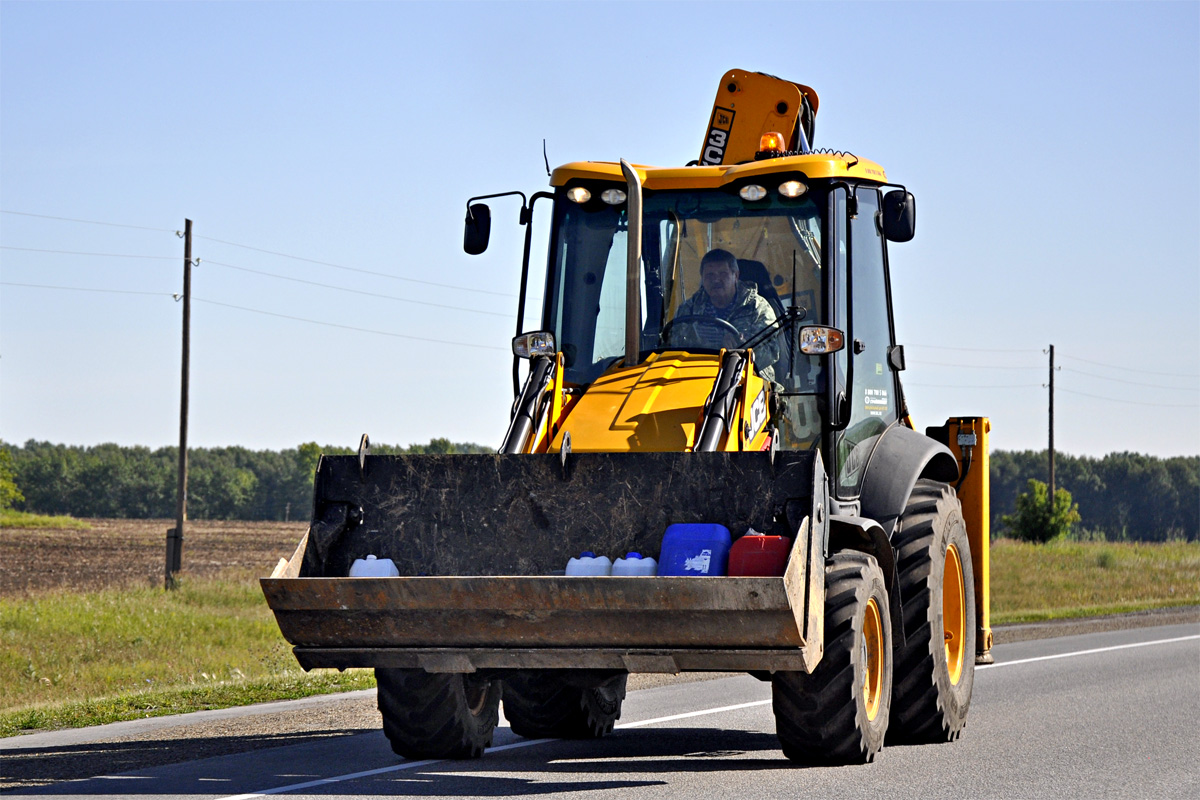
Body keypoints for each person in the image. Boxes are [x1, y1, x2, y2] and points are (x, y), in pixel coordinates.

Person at [672, 248, 780, 381]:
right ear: (702, 279)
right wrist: (717, 347)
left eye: (723, 274)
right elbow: (672, 347)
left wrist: (743, 348)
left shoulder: (757, 307)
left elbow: (771, 351)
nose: (716, 280)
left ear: (736, 276)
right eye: (710, 275)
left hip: (749, 383)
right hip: (697, 378)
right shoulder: (689, 309)